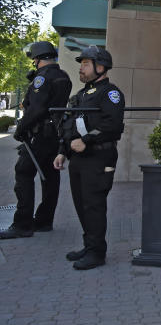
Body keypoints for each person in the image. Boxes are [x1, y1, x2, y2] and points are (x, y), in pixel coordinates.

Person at [53, 46, 125, 270]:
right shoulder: (81, 95)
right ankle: (90, 244)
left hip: (100, 156)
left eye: (85, 63)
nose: (81, 68)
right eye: (81, 64)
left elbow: (112, 126)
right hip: (78, 159)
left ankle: (97, 252)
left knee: (94, 205)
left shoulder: (111, 93)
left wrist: (87, 141)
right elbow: (70, 126)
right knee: (81, 204)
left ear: (100, 67)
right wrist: (62, 151)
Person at [1, 42, 72, 239]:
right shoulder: (63, 76)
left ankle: (22, 224)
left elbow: (37, 110)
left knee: (23, 173)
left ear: (38, 58)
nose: (33, 62)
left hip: (38, 135)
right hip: (54, 135)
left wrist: (21, 129)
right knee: (50, 178)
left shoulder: (43, 78)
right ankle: (44, 221)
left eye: (34, 59)